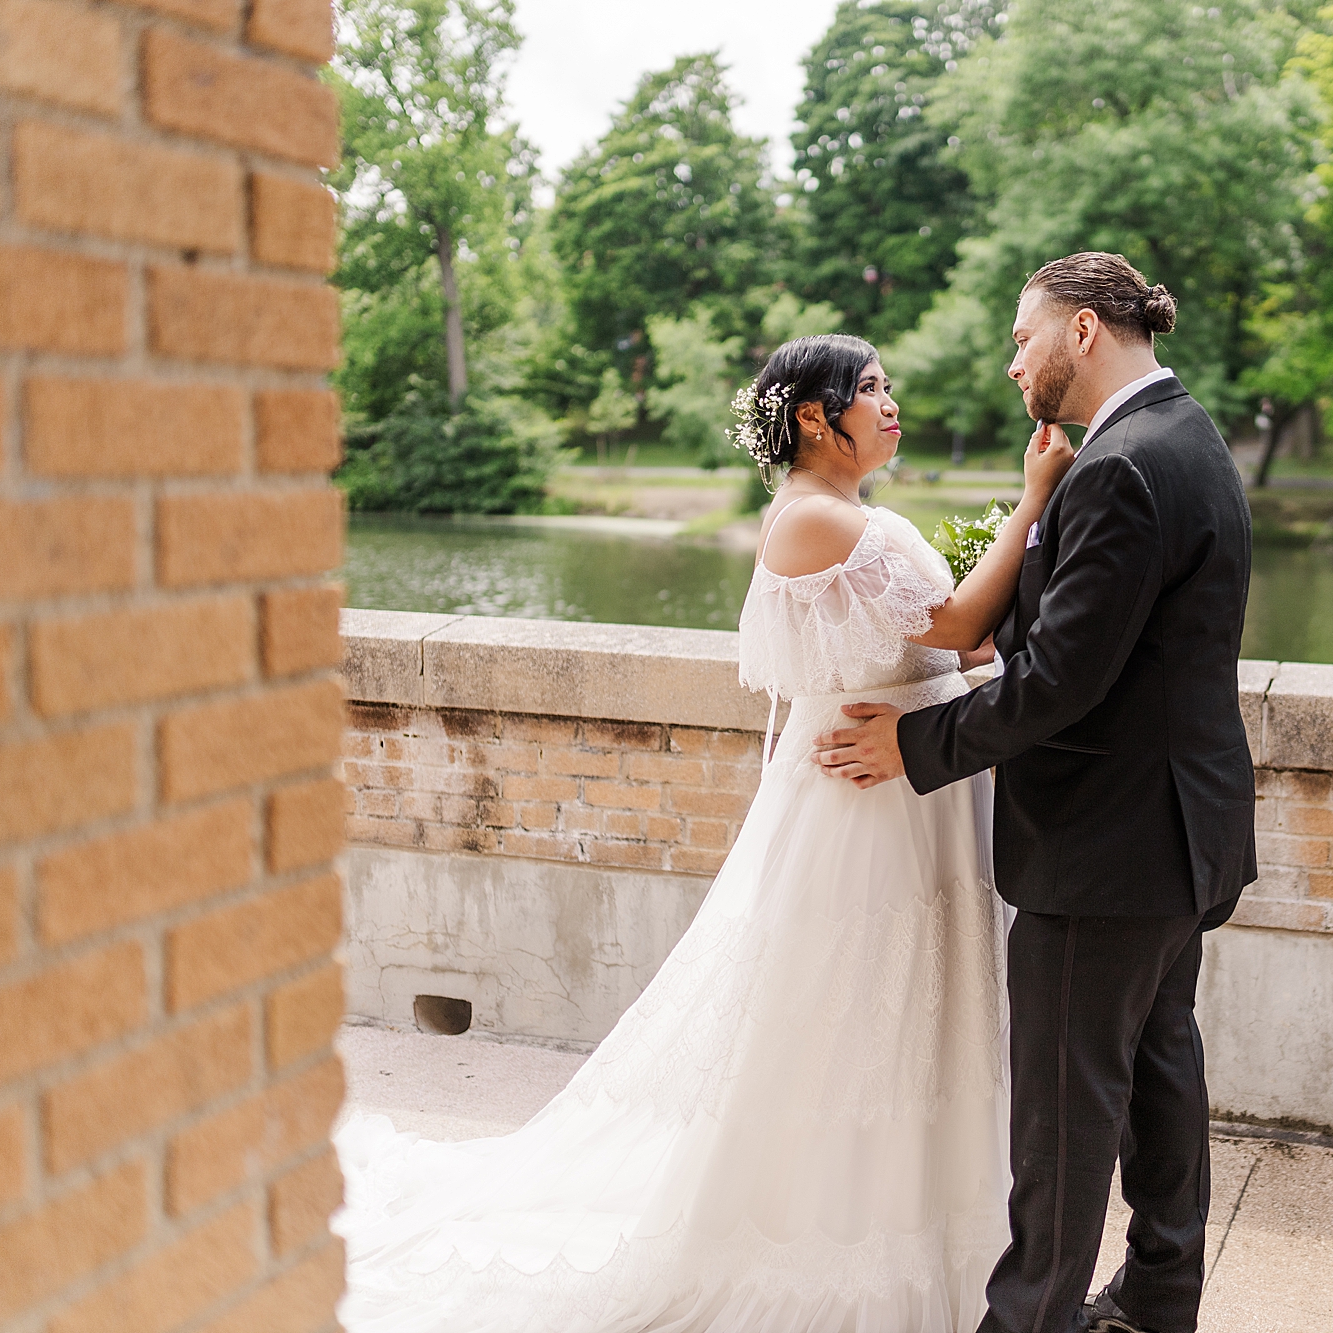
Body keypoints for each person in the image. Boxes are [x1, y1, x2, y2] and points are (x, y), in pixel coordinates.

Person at [334, 333, 1078, 1333]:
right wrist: (1034, 502)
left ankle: (936, 1221)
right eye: (871, 389)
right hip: (871, 812)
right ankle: (843, 1243)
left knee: (906, 1013)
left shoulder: (842, 517)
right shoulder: (822, 520)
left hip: (899, 788)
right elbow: (955, 628)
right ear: (815, 418)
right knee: (859, 1021)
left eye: (888, 386)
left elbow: (951, 640)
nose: (891, 403)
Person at [811, 253, 1258, 1333]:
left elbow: (1059, 684)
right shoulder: (1187, 438)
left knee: (1061, 1118)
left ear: (1084, 332)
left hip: (1103, 851)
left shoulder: (1120, 468)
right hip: (1178, 836)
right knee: (1157, 1072)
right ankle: (1156, 1297)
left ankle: (1027, 1322)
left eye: (1023, 336)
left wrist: (914, 743)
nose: (1013, 361)